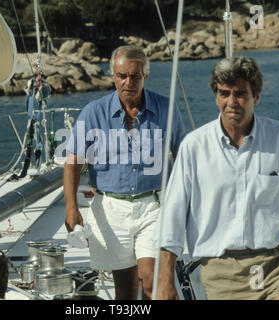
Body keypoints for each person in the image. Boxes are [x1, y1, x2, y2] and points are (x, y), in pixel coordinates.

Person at [156, 56, 279, 300]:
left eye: (240, 93)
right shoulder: (194, 147)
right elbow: (171, 220)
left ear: (256, 97)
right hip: (221, 270)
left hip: (278, 263)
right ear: (216, 96)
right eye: (224, 93)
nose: (231, 102)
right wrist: (165, 281)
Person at [64, 45, 186, 299]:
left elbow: (183, 156)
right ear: (113, 76)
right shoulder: (93, 113)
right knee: (125, 293)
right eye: (122, 76)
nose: (128, 82)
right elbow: (73, 162)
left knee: (153, 282)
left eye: (135, 76)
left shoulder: (166, 108)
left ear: (145, 76)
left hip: (154, 206)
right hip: (110, 209)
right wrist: (71, 207)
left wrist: (185, 202)